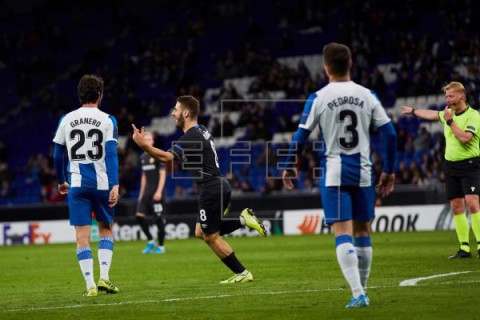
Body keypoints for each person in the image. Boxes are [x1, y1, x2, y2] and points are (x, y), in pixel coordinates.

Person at [282, 43, 397, 308]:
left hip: (334, 173)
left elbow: (300, 136)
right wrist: (389, 171)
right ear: (350, 64)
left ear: (326, 68)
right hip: (364, 172)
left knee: (341, 232)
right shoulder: (368, 95)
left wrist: (288, 165)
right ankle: (363, 290)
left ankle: (358, 293)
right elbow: (390, 134)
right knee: (363, 231)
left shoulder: (318, 97)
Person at [132, 95, 267, 283]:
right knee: (200, 232)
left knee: (211, 236)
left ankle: (242, 273)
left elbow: (165, 158)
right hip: (216, 186)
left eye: (176, 110)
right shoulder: (201, 130)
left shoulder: (192, 136)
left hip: (212, 188)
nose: (172, 113)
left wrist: (143, 145)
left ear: (186, 113)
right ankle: (243, 219)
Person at [52, 74, 120, 297]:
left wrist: (62, 180)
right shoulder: (108, 119)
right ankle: (105, 278)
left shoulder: (66, 119)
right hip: (102, 184)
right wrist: (115, 184)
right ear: (100, 94)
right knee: (106, 229)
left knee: (82, 237)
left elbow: (57, 155)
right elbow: (110, 154)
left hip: (77, 185)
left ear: (79, 94)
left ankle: (90, 285)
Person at [401, 81, 480, 259]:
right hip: (450, 166)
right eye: (446, 96)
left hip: (470, 165)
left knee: (473, 203)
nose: (448, 99)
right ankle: (464, 248)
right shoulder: (447, 113)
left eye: (451, 96)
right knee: (456, 206)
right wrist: (413, 111)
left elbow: (465, 138)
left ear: (461, 96)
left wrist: (450, 121)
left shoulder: (473, 116)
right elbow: (431, 114)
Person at [135, 131, 167, 254]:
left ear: (152, 141)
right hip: (146, 193)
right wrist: (141, 193)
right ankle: (150, 240)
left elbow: (163, 174)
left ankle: (161, 246)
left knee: (159, 219)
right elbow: (144, 176)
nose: (147, 142)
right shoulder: (143, 157)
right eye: (145, 140)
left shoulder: (157, 154)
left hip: (157, 193)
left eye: (149, 139)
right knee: (139, 216)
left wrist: (159, 191)